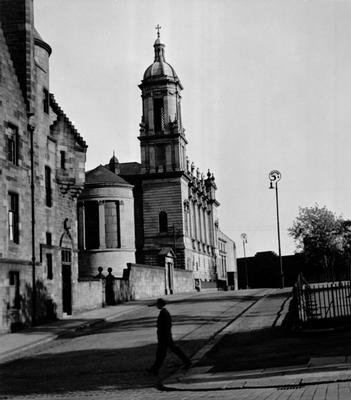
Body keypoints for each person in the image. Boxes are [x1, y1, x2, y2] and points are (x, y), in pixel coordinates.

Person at [148, 298, 192, 375]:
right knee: (163, 353)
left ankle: (187, 362)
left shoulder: (164, 313)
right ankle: (155, 369)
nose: (156, 305)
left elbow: (165, 326)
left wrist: (164, 336)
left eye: (157, 304)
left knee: (162, 353)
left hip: (164, 337)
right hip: (165, 336)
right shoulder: (164, 312)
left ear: (161, 304)